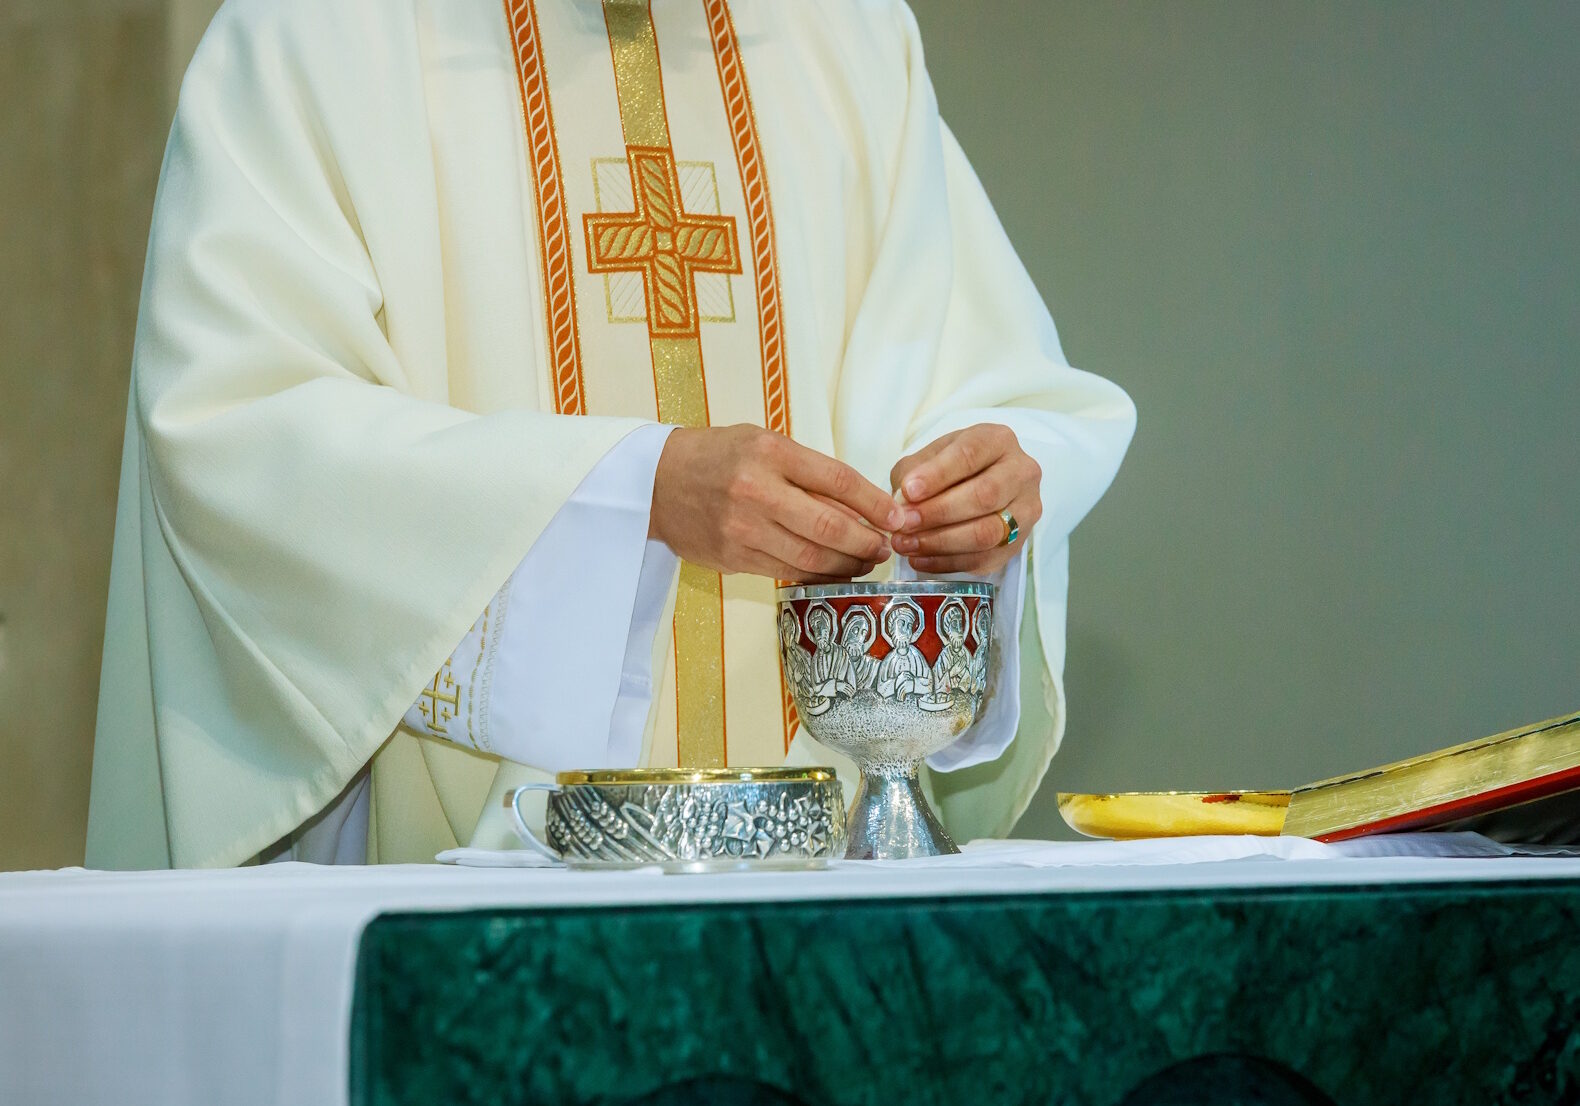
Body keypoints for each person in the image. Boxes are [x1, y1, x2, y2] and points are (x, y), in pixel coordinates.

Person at [86, 0, 1135, 869]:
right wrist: (630, 492)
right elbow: (239, 434)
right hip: (467, 911)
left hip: (817, 899)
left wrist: (972, 496)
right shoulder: (315, 40)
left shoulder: (843, 39)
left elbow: (967, 373)